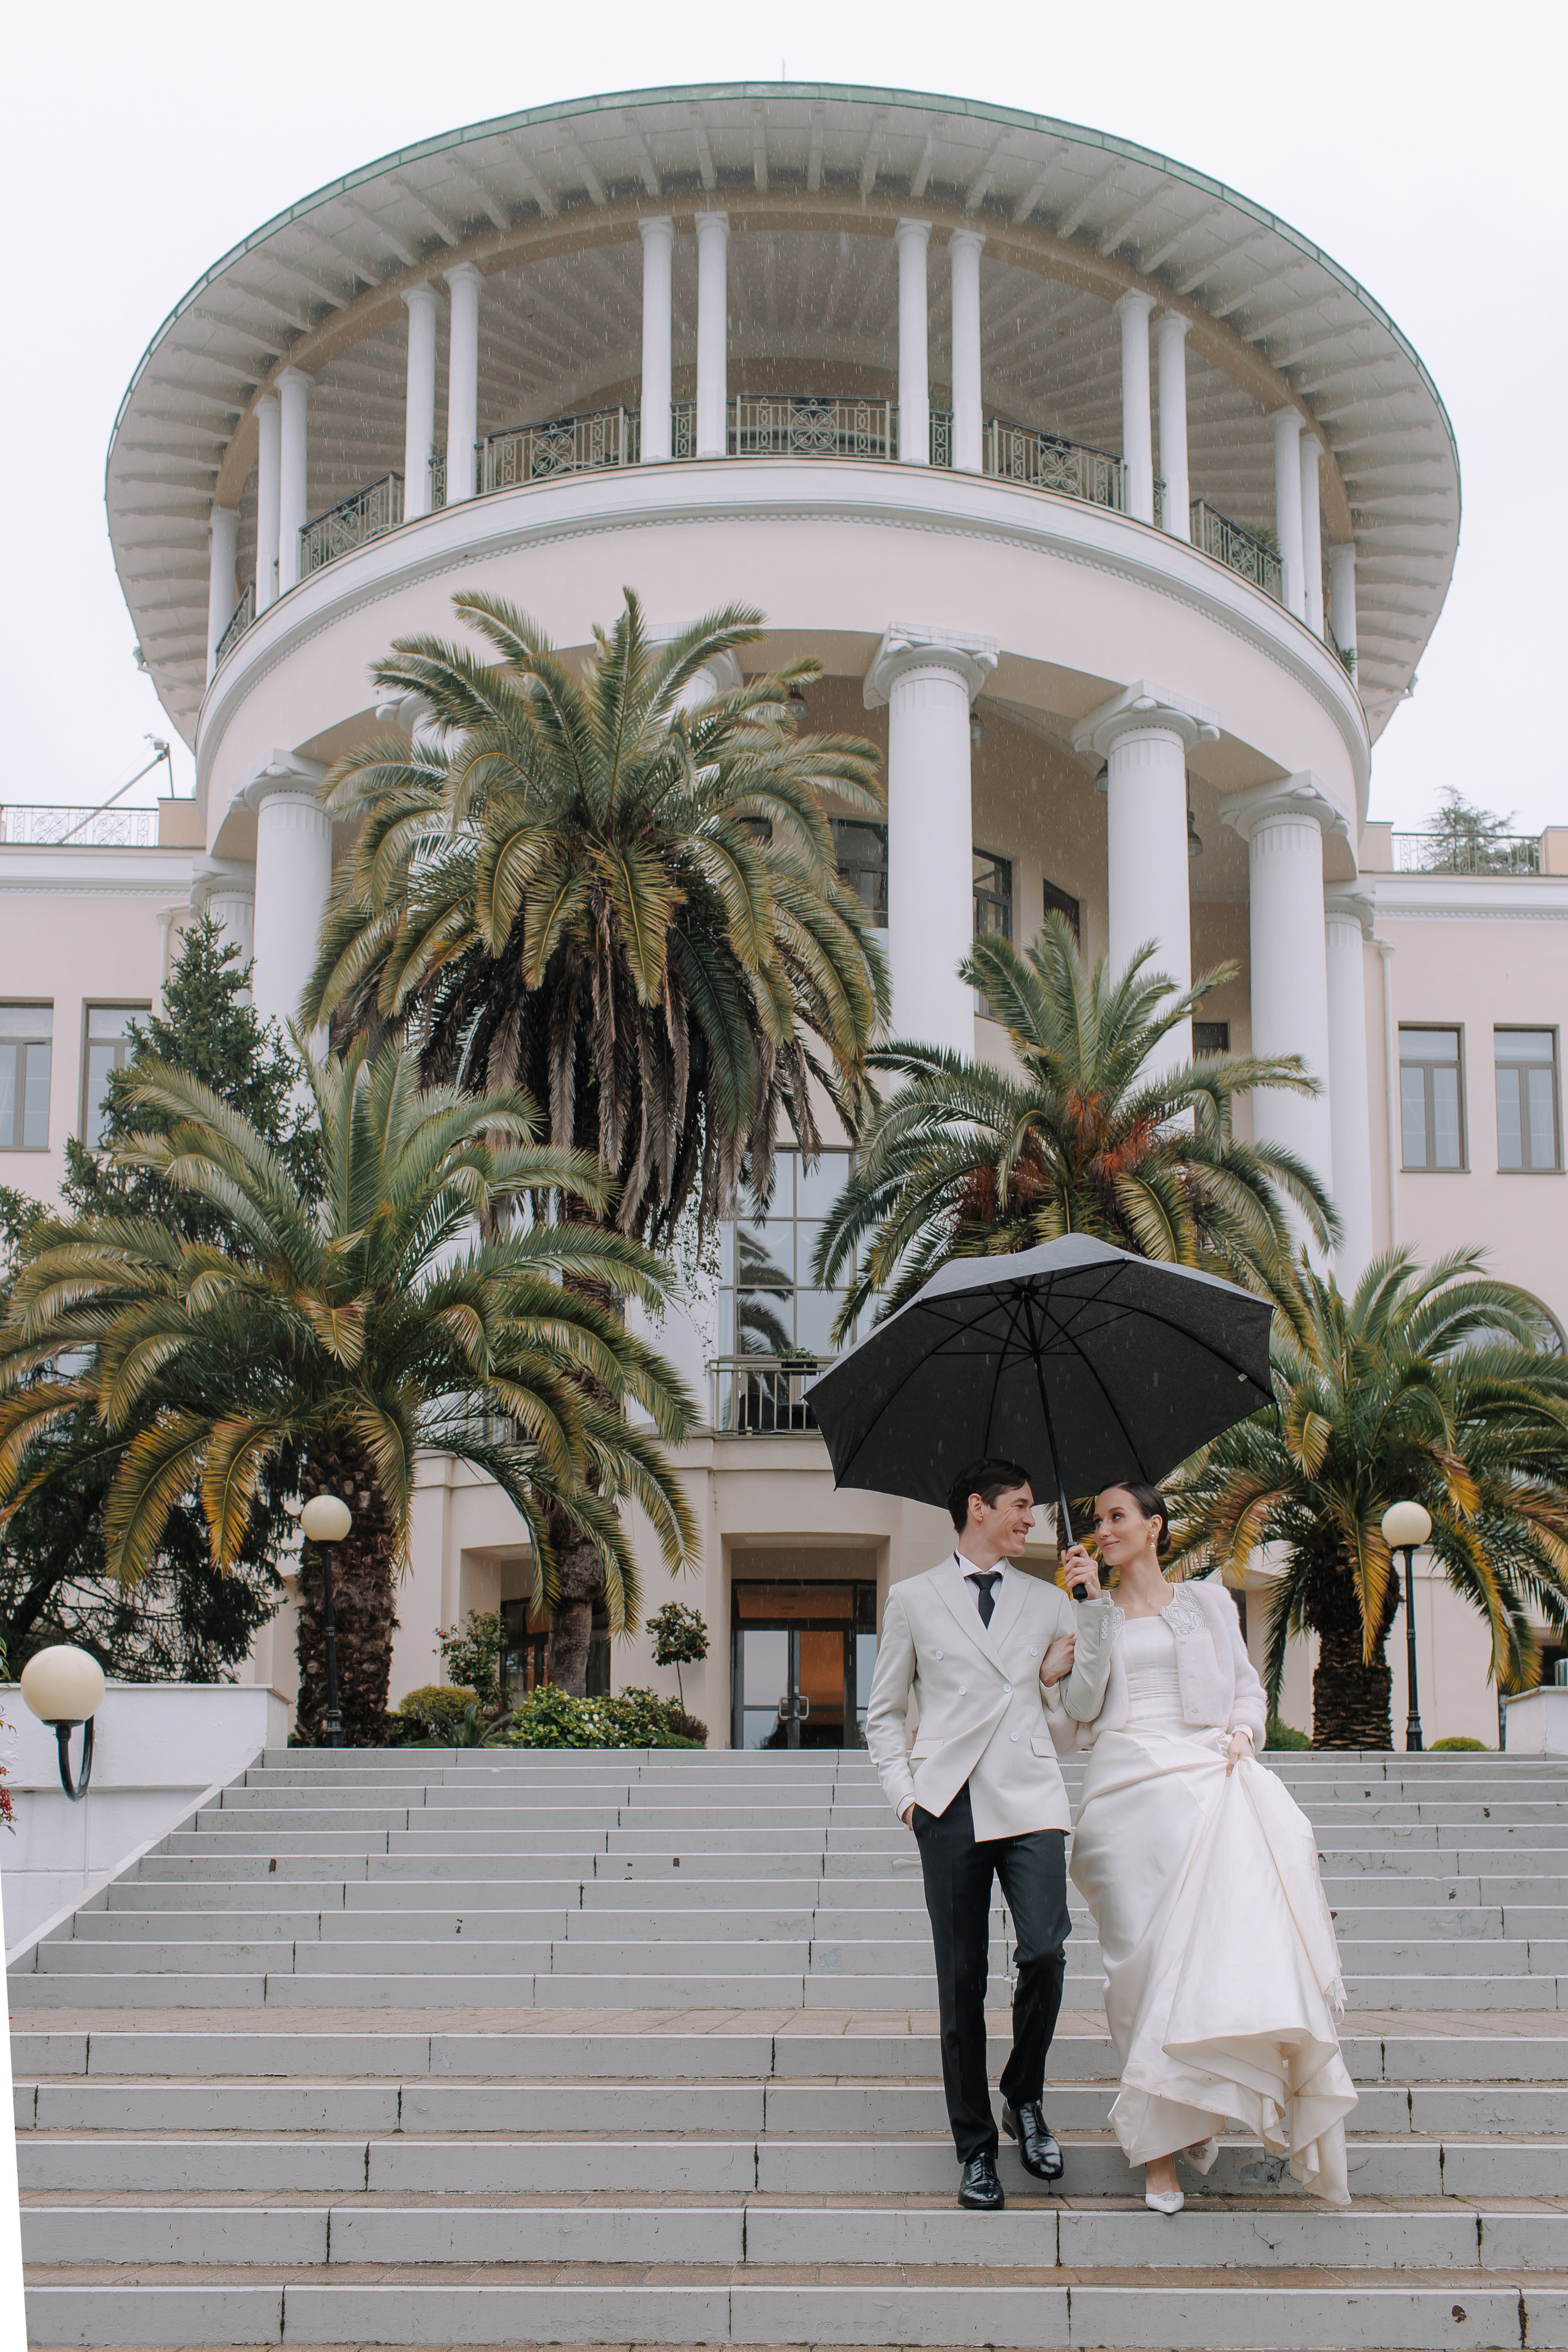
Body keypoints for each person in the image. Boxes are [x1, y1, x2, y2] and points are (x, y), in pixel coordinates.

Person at [1050, 1480, 1358, 2213]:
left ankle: (1178, 2116)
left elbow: (1247, 1690)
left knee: (1202, 1963)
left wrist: (1244, 1736)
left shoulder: (1211, 1602)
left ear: (1155, 1527)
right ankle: (1159, 2141)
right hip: (1123, 1793)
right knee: (1139, 1971)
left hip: (1204, 1780)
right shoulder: (1086, 1612)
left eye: (1117, 1517)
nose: (1103, 1531)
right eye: (1097, 1522)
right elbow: (1076, 1715)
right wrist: (1085, 1619)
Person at [864, 1458, 1117, 2209]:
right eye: (1019, 1507)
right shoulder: (912, 1598)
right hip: (947, 1803)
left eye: (1034, 1509)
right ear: (977, 1508)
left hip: (1031, 1795)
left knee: (1044, 1949)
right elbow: (881, 1714)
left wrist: (1090, 1612)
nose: (1031, 1521)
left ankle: (1024, 2096)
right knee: (961, 1981)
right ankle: (975, 2149)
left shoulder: (1048, 1599)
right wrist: (905, 1797)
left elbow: (1082, 1704)